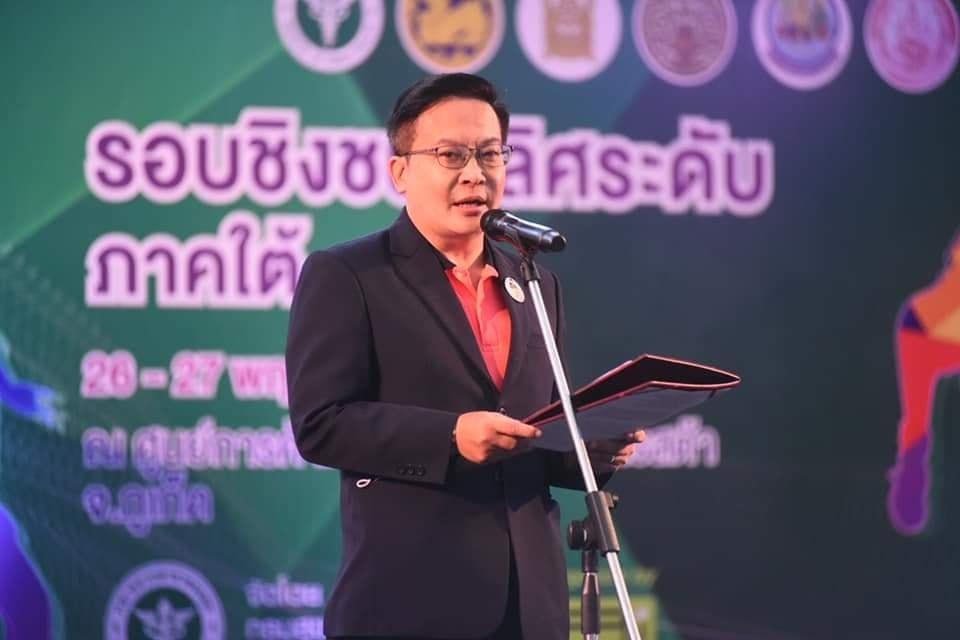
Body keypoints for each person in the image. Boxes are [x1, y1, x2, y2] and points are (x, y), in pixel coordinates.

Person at [285, 73, 644, 640]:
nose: (475, 173)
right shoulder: (350, 275)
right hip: (409, 603)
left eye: (490, 153)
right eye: (451, 155)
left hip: (530, 607)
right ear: (400, 172)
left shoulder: (534, 280)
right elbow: (321, 424)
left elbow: (537, 438)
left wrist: (591, 448)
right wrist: (451, 435)